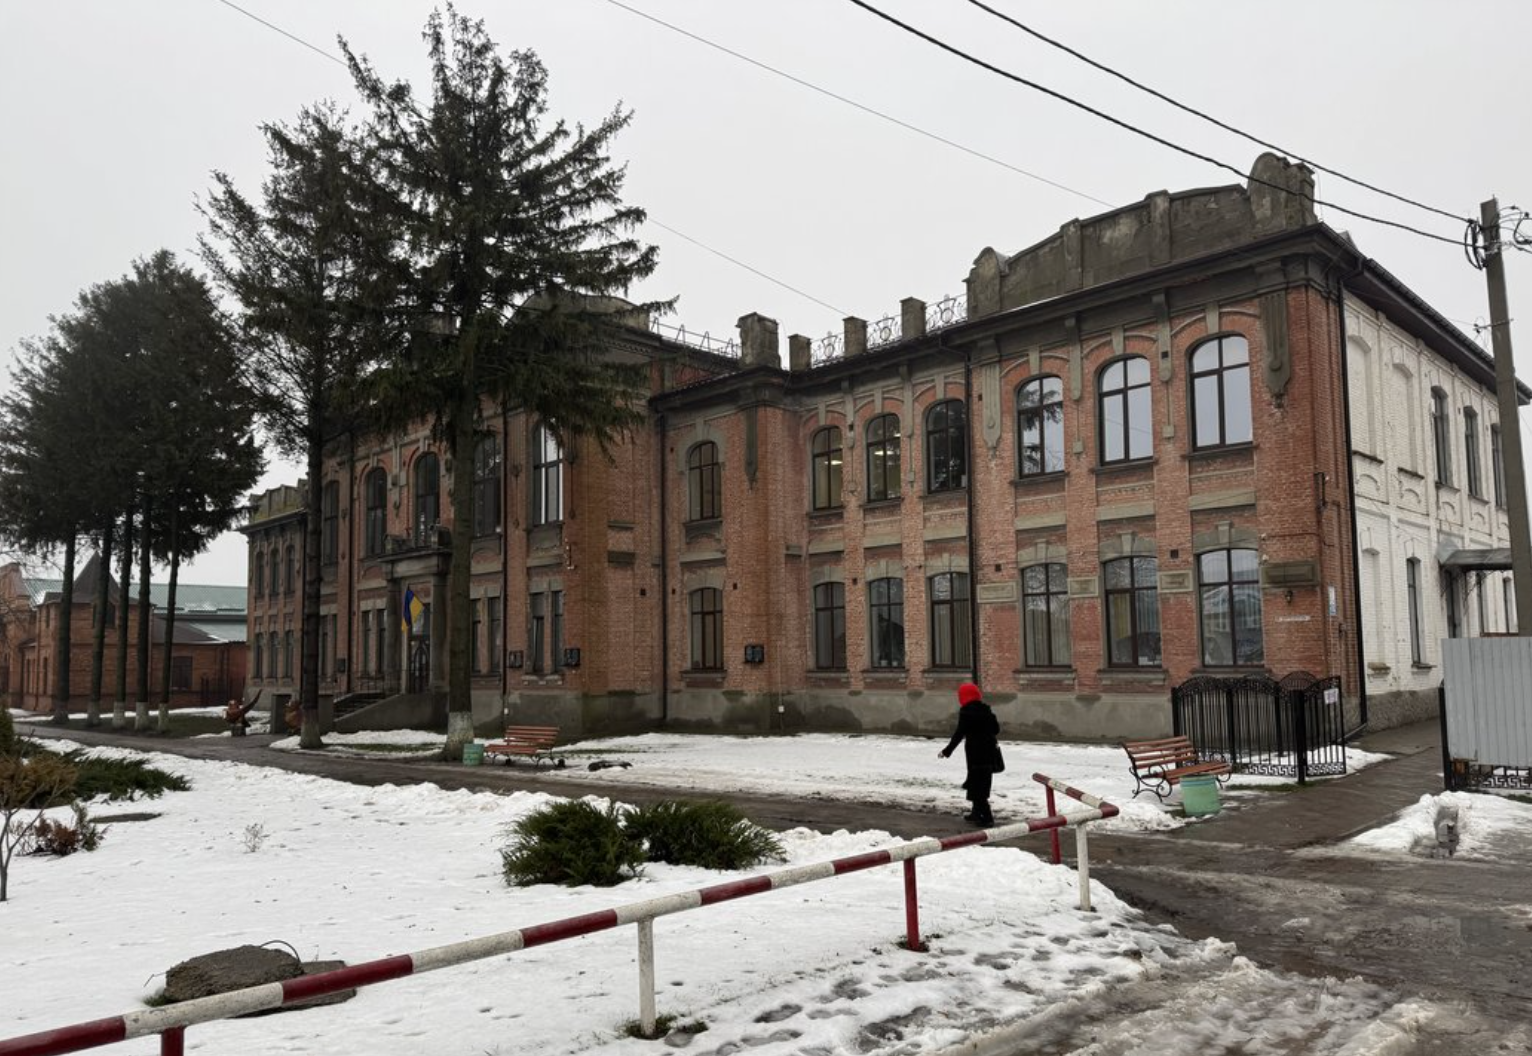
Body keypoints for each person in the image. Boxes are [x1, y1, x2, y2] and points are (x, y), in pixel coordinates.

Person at [938, 682, 1000, 826]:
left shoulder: (966, 712)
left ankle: (987, 818)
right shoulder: (986, 710)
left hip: (975, 754)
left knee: (977, 784)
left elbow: (959, 734)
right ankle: (976, 813)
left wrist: (947, 751)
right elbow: (996, 730)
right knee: (981, 782)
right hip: (988, 753)